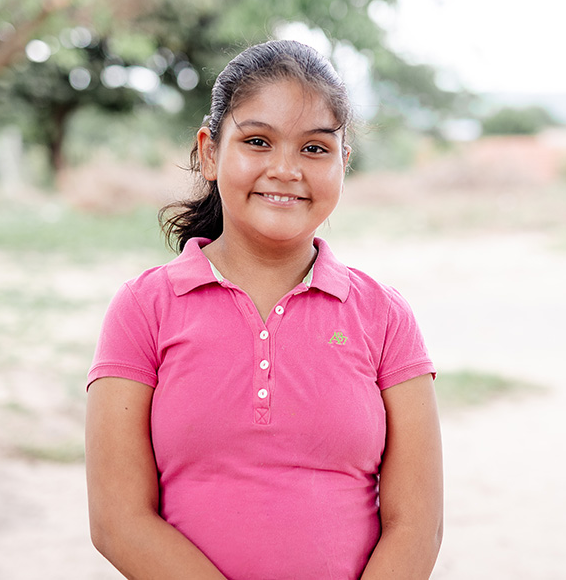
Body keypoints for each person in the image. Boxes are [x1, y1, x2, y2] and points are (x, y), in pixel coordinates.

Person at [85, 39, 443, 580]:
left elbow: (417, 525)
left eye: (315, 149)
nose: (286, 169)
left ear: (343, 162)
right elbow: (118, 520)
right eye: (257, 141)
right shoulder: (144, 310)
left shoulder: (385, 317)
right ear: (209, 152)